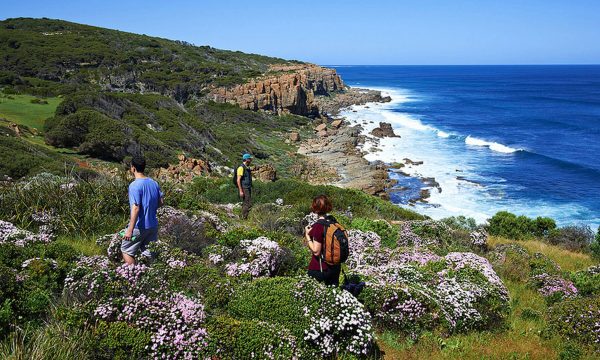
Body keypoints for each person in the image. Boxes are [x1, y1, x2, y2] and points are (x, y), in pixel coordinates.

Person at [121, 155, 164, 265]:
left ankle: (134, 276)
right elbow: (161, 202)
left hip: (139, 227)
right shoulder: (154, 183)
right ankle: (152, 275)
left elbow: (135, 208)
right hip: (153, 225)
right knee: (150, 254)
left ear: (133, 168)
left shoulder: (134, 186)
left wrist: (129, 230)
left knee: (126, 251)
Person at [304, 194, 342, 286]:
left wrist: (307, 235)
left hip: (320, 268)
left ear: (315, 208)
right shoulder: (334, 223)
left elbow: (316, 251)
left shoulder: (318, 226)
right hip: (335, 268)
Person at [236, 153, 253, 220]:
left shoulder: (247, 167)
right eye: (250, 159)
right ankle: (243, 218)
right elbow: (238, 180)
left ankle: (244, 217)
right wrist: (240, 191)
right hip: (244, 188)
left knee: (247, 202)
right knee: (247, 203)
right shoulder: (241, 168)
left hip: (248, 187)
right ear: (246, 159)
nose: (251, 160)